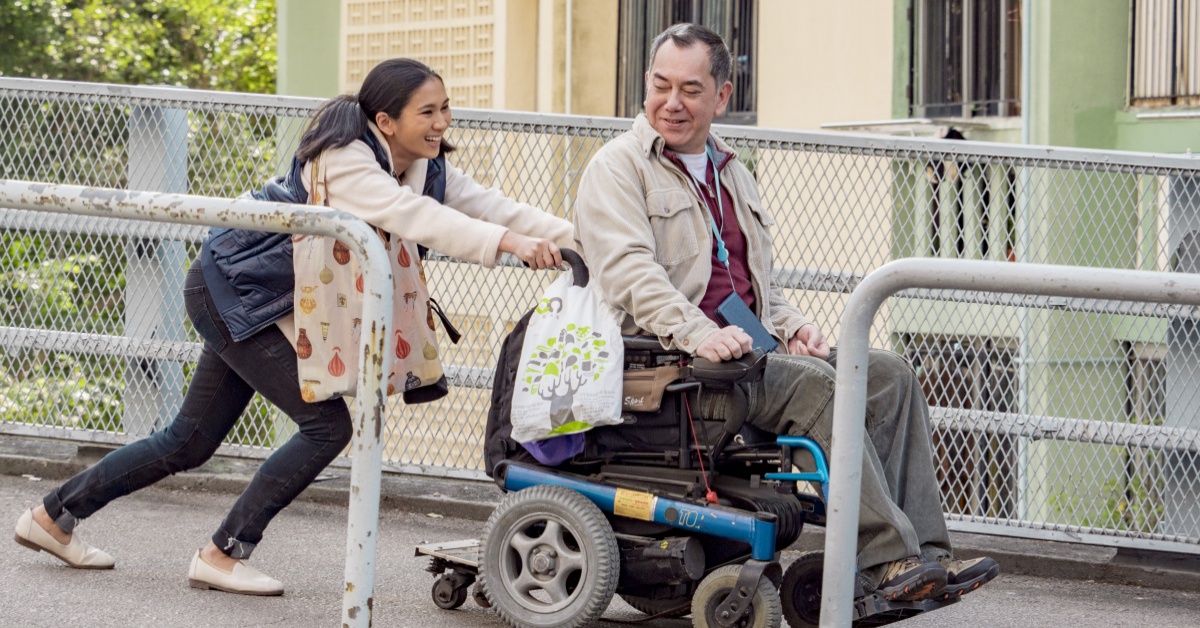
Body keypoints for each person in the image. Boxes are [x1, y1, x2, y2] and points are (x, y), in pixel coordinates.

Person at [13, 58, 573, 596]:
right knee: (326, 428)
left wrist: (577, 239)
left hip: (262, 298)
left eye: (445, 108)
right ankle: (223, 554)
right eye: (427, 112)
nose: (442, 122)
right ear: (386, 122)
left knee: (189, 439)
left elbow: (490, 205)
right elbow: (414, 217)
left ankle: (52, 517)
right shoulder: (346, 161)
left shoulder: (426, 165)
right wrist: (510, 247)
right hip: (235, 289)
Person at [572, 24, 998, 603]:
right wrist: (699, 334)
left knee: (890, 376)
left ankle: (926, 557)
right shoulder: (617, 168)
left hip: (750, 355)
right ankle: (882, 559)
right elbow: (629, 275)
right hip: (676, 369)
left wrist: (791, 325)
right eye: (660, 85)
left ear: (722, 96)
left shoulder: (732, 171)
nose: (671, 103)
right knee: (820, 387)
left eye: (690, 89)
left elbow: (754, 288)